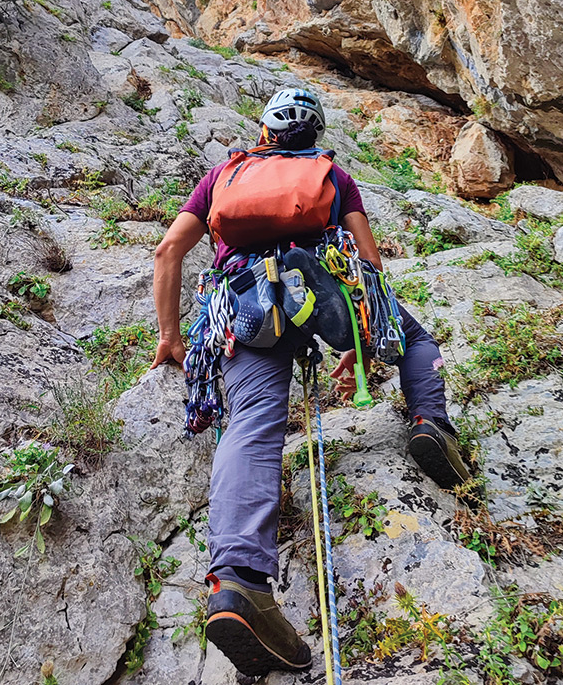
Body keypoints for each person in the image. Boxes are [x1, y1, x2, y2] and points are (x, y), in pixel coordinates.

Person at [151, 88, 469, 678]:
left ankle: (239, 583)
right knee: (416, 339)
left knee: (250, 423)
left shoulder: (225, 174)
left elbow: (170, 250)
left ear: (265, 131)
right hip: (321, 291)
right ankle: (431, 423)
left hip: (243, 302)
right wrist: (363, 334)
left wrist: (171, 338)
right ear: (313, 135)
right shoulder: (332, 174)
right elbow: (367, 262)